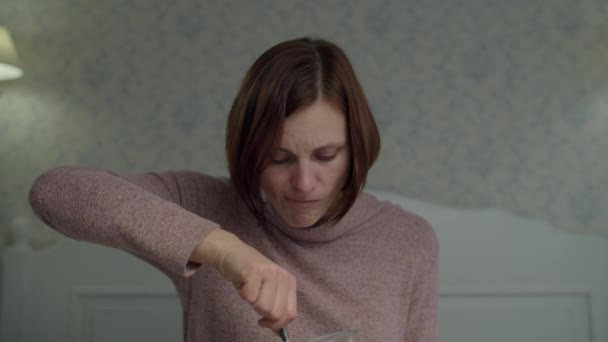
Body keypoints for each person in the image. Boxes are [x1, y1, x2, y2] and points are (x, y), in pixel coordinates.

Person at [29, 37, 438, 341]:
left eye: (326, 155)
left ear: (357, 148)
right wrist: (226, 251)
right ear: (249, 152)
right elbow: (54, 192)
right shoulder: (205, 205)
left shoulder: (409, 241)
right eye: (279, 158)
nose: (304, 183)